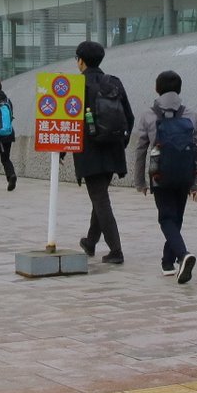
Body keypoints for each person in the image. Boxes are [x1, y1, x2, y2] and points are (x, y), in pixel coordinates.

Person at [134, 69, 197, 284]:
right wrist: (195, 182)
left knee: (165, 218)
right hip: (184, 174)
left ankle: (182, 255)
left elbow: (141, 150)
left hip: (159, 175)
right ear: (179, 89)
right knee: (176, 218)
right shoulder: (190, 114)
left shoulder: (148, 114)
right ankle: (167, 262)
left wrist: (140, 181)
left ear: (157, 88)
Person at [70, 40, 134, 265]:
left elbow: (72, 123)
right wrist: (119, 143)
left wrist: (62, 152)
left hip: (90, 152)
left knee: (100, 199)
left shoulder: (77, 85)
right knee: (100, 197)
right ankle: (90, 241)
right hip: (113, 150)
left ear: (81, 61)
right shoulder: (113, 82)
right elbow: (129, 117)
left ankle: (116, 250)